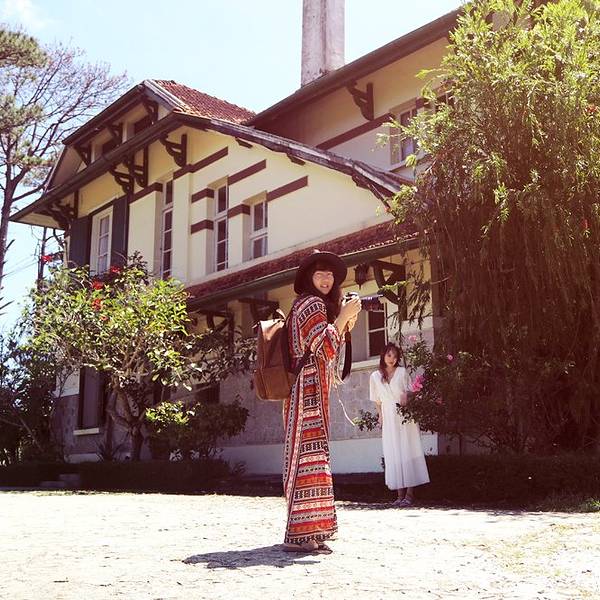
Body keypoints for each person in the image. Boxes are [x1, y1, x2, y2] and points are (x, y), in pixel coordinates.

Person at [282, 250, 361, 554]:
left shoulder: (306, 304)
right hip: (308, 392)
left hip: (307, 391)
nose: (326, 279)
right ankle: (300, 535)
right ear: (309, 278)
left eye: (330, 275)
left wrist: (344, 321)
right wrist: (342, 318)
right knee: (309, 458)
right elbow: (323, 346)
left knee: (311, 458)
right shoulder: (311, 304)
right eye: (320, 274)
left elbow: (327, 347)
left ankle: (309, 533)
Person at [369, 342, 430, 506]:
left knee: (407, 450)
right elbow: (376, 400)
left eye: (395, 356)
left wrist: (406, 395)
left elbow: (411, 390)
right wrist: (380, 416)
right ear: (383, 355)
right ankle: (399, 495)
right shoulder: (375, 376)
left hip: (404, 416)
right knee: (393, 452)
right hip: (388, 416)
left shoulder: (402, 372)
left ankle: (409, 494)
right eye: (389, 355)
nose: (392, 359)